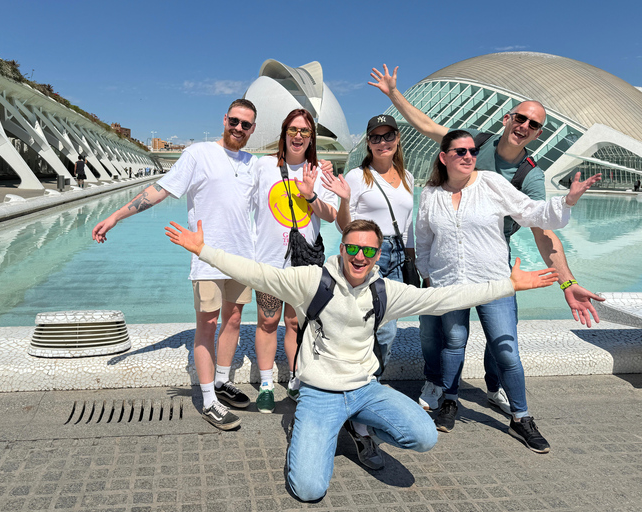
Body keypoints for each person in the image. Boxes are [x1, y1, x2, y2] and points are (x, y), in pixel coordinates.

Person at [165, 218, 559, 501]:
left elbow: (442, 299)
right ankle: (323, 430)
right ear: (342, 249)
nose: (359, 256)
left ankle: (355, 423)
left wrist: (507, 285)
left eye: (368, 251)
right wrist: (204, 251)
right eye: (352, 248)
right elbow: (258, 274)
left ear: (376, 255)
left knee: (424, 436)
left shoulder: (385, 291)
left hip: (367, 390)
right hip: (319, 392)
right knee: (308, 490)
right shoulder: (311, 281)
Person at [368, 63, 604, 418]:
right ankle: (442, 389)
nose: (524, 126)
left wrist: (567, 281)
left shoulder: (529, 176)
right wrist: (393, 94)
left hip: (492, 259)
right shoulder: (474, 144)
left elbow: (543, 229)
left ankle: (496, 390)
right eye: (520, 118)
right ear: (507, 118)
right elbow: (429, 127)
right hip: (449, 264)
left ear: (538, 133)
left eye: (533, 125)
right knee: (441, 335)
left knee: (501, 340)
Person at [415, 130, 601, 453]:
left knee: (505, 350)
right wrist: (428, 278)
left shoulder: (490, 183)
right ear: (444, 157)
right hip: (450, 285)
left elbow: (531, 212)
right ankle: (450, 400)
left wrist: (567, 201)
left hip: (495, 282)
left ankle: (521, 417)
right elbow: (424, 239)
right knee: (454, 342)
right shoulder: (431, 193)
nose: (468, 156)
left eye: (472, 151)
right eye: (460, 152)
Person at [92, 99, 258, 430]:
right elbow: (158, 191)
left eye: (246, 125)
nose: (239, 128)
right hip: (207, 258)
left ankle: (223, 382)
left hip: (241, 258)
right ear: (225, 119)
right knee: (207, 325)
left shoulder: (254, 163)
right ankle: (209, 399)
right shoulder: (198, 154)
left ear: (253, 129)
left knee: (234, 319)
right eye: (235, 121)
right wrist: (115, 216)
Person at [321, 113, 416, 469]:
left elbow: (405, 224)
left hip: (396, 258)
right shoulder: (357, 177)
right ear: (368, 142)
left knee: (386, 333)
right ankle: (359, 417)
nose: (382, 142)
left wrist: (411, 258)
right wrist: (344, 201)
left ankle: (361, 397)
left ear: (396, 138)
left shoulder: (406, 177)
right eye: (375, 137)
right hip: (366, 255)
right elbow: (345, 225)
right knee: (372, 328)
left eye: (388, 135)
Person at [251, 108, 339, 413]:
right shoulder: (263, 167)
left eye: (304, 131)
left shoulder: (318, 172)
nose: (298, 136)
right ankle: (265, 384)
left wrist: (311, 195)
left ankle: (295, 380)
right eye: (293, 130)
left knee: (294, 322)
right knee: (267, 320)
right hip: (269, 263)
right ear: (283, 134)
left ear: (311, 137)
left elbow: (332, 214)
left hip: (305, 264)